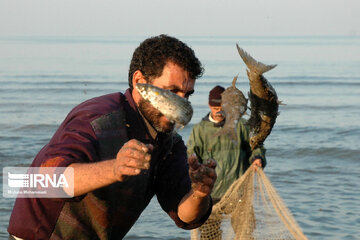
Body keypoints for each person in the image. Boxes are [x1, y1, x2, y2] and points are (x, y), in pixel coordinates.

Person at [8, 35, 217, 240]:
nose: (181, 106)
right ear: (139, 82)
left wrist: (199, 194)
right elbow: (44, 180)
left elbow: (184, 214)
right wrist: (115, 169)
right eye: (172, 91)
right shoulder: (99, 118)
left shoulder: (169, 144)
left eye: (187, 95)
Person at [187, 85, 266, 239]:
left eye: (222, 106)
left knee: (246, 234)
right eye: (215, 107)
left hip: (239, 192)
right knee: (210, 236)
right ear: (209, 105)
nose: (219, 110)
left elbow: (256, 146)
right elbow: (191, 156)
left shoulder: (242, 126)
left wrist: (258, 158)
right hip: (211, 194)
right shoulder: (200, 130)